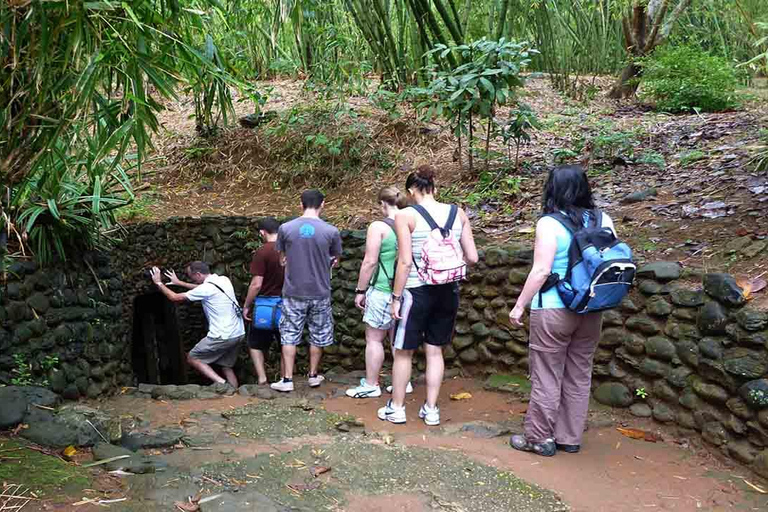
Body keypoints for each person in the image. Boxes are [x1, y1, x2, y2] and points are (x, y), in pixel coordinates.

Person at [508, 165, 615, 457]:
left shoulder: (549, 224)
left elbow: (541, 269)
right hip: (592, 308)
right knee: (579, 373)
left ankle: (540, 437)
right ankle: (569, 437)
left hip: (554, 308)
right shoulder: (603, 219)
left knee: (547, 374)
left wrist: (519, 306)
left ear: (552, 189)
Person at [378, 166, 478, 425]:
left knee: (403, 352)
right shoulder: (458, 213)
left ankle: (397, 408)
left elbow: (404, 262)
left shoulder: (406, 216)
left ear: (411, 190)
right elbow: (473, 257)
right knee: (435, 351)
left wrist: (396, 297)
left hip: (415, 291)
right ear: (435, 187)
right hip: (448, 290)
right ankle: (431, 409)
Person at [270, 189, 342, 392]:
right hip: (320, 291)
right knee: (317, 335)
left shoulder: (286, 228)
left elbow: (282, 259)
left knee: (289, 335)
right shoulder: (331, 231)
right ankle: (312, 375)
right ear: (323, 204)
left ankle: (287, 380)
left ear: (300, 204)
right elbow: (336, 260)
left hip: (293, 291)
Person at [346, 187, 414, 399]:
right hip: (406, 290)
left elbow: (370, 261)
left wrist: (360, 290)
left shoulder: (378, 227)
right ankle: (404, 383)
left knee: (374, 338)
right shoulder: (412, 223)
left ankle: (371, 383)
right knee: (399, 340)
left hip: (383, 289)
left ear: (383, 204)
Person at [149, 261, 245, 387]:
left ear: (198, 274)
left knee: (193, 358)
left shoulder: (206, 288)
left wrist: (158, 283)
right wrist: (180, 283)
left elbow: (175, 297)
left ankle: (222, 384)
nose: (191, 279)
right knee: (226, 366)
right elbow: (202, 289)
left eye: (191, 277)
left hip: (222, 335)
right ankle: (236, 393)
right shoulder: (223, 280)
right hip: (238, 333)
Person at [242, 217, 285, 385]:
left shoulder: (262, 252)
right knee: (286, 343)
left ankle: (262, 378)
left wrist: (246, 305)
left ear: (262, 232)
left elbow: (256, 284)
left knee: (255, 343)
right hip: (288, 305)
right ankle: (284, 377)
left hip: (265, 306)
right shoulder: (289, 250)